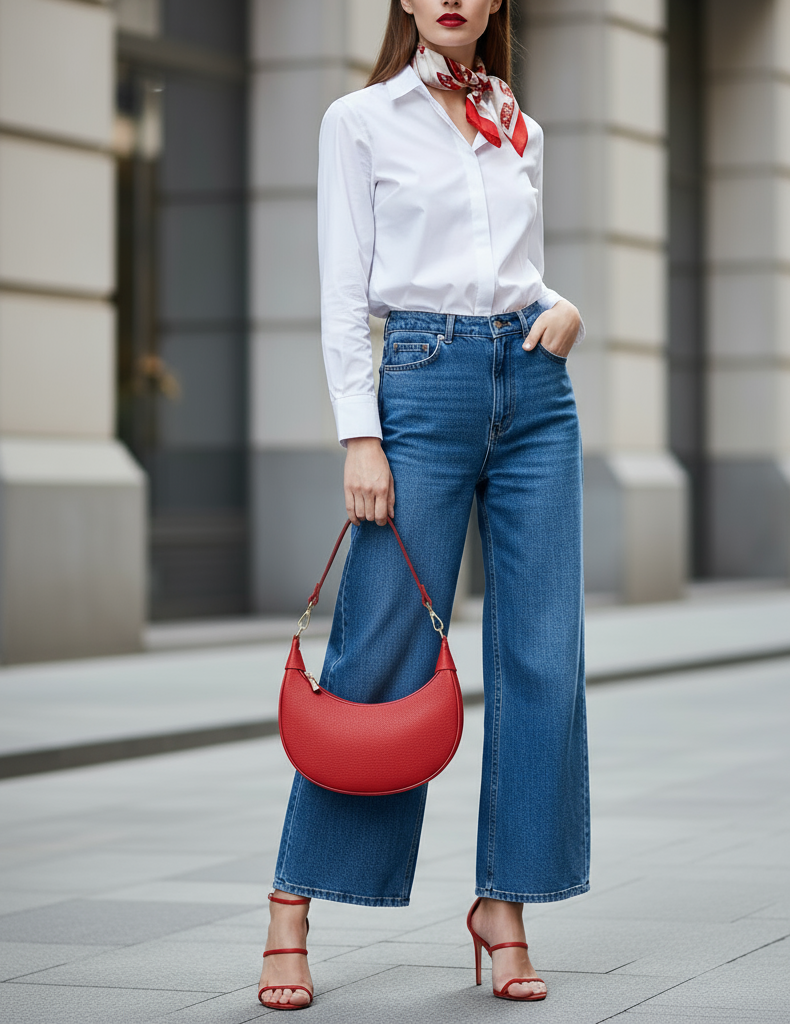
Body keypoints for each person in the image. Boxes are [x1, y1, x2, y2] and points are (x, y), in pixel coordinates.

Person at [257, 0, 588, 1009]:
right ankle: (291, 901)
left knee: (541, 654)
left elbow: (511, 274)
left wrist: (555, 303)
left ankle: (505, 906)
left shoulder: (515, 124)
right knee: (381, 646)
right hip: (420, 383)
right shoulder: (360, 121)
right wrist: (360, 430)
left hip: (533, 391)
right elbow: (342, 289)